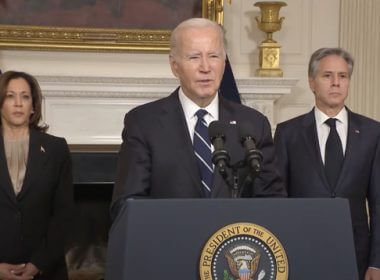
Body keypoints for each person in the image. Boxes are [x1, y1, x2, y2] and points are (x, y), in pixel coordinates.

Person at [111, 18, 286, 219]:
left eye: (213, 56)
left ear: (224, 62)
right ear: (174, 66)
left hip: (234, 247)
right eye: (194, 57)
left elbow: (273, 201)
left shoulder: (253, 124)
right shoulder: (143, 123)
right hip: (171, 244)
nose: (206, 67)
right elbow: (127, 204)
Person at [274, 48, 380, 280]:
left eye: (343, 76)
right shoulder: (288, 133)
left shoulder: (373, 133)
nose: (336, 83)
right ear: (312, 82)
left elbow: (378, 203)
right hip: (300, 251)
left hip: (356, 256)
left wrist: (377, 262)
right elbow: (277, 199)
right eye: (327, 76)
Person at [0, 71, 73, 280]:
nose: (18, 103)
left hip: (45, 270)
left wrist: (39, 263)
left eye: (25, 96)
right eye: (10, 96)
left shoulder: (56, 149)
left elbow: (63, 213)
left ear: (33, 105)